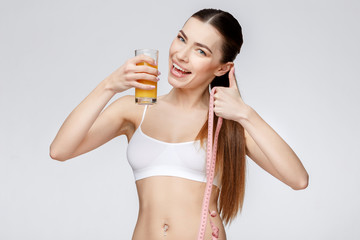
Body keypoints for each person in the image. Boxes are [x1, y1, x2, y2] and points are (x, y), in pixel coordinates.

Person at [50, 8, 309, 240]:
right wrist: (109, 86)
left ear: (222, 68)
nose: (181, 55)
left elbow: (297, 179)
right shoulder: (135, 109)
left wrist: (246, 114)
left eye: (200, 51)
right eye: (182, 38)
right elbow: (60, 150)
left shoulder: (226, 123)